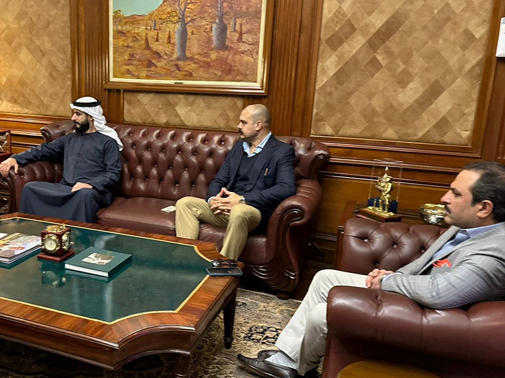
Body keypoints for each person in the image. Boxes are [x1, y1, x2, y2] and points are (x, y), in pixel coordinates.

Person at [237, 161, 505, 378]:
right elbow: (422, 265)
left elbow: (441, 293)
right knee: (325, 278)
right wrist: (392, 275)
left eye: (456, 194)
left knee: (323, 312)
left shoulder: (493, 252)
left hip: (432, 319)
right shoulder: (464, 226)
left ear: (484, 208)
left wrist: (388, 284)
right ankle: (286, 358)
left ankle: (297, 369)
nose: (444, 198)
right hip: (415, 298)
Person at [174, 104, 296, 260]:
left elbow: (286, 188)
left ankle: (224, 268)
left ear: (258, 125)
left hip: (253, 210)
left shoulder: (281, 151)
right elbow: (219, 179)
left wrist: (242, 200)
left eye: (243, 122)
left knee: (239, 211)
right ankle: (188, 261)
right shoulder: (239, 148)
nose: (239, 126)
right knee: (185, 203)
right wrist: (214, 200)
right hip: (226, 208)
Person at [0, 96, 122, 223]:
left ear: (91, 116)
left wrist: (91, 184)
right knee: (30, 188)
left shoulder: (108, 142)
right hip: (66, 187)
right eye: (74, 114)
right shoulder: (69, 138)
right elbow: (42, 151)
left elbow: (113, 173)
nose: (73, 118)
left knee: (84, 195)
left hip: (95, 191)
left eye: (78, 114)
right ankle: (31, 233)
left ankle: (79, 238)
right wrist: (15, 159)